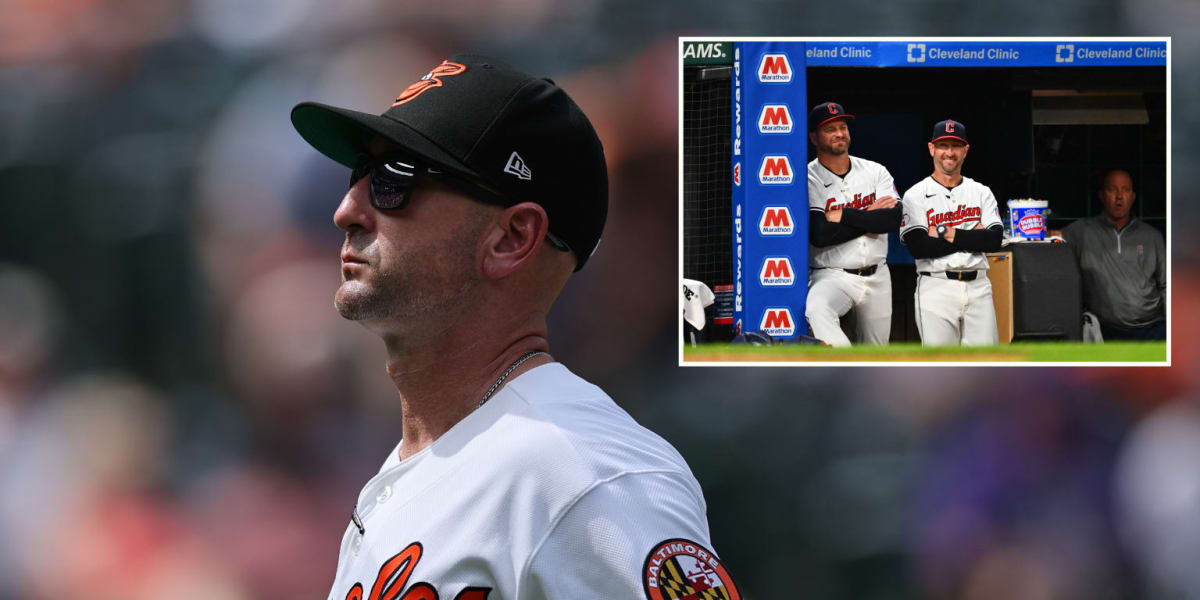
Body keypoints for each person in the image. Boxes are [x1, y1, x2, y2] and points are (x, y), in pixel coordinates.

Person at [290, 55, 740, 600]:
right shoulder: (424, 464)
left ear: (512, 238)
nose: (347, 209)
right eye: (358, 174)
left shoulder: (588, 472)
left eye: (394, 180)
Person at [804, 102, 901, 347]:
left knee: (876, 353)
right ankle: (846, 365)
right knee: (817, 309)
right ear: (814, 138)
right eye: (830, 129)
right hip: (832, 274)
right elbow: (820, 234)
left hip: (877, 273)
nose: (839, 133)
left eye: (842, 126)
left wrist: (844, 215)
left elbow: (891, 219)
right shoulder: (808, 176)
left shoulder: (875, 170)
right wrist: (869, 216)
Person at [900, 119, 1004, 346]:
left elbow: (993, 240)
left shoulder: (981, 192)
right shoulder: (915, 194)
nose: (949, 152)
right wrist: (972, 237)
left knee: (986, 366)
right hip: (936, 286)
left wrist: (946, 233)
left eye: (956, 146)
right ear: (932, 149)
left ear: (965, 150)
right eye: (943, 145)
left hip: (979, 286)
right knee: (942, 368)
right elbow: (919, 247)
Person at [1061, 169, 1166, 340]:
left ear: (1132, 196)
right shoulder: (1082, 231)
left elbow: (1166, 285)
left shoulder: (1152, 235)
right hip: (1106, 331)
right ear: (1102, 196)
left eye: (1125, 190)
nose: (1119, 196)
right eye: (1112, 189)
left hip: (1153, 329)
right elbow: (1048, 240)